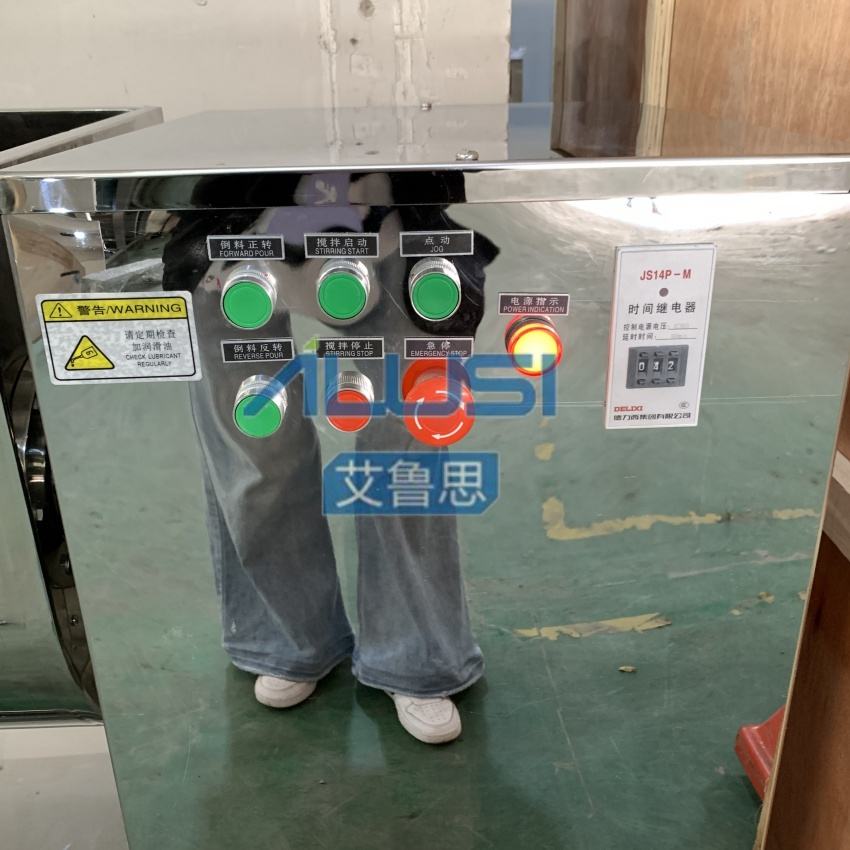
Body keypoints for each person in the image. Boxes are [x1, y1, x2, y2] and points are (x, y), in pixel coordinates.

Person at [162, 173, 497, 744]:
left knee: (406, 449)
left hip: (380, 215)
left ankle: (414, 654)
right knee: (256, 454)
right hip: (228, 227)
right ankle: (288, 638)